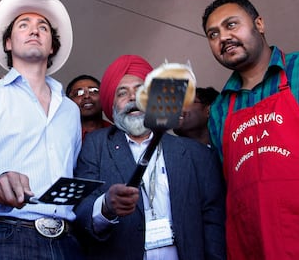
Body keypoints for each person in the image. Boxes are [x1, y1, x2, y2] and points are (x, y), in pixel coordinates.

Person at [202, 0, 299, 259]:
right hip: (260, 247)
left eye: (232, 25)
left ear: (259, 24)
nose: (224, 37)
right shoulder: (219, 110)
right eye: (213, 34)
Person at [0, 0, 84, 260]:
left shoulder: (71, 110)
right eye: (23, 24)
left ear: (51, 48)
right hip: (5, 235)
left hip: (67, 240)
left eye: (43, 27)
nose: (35, 29)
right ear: (8, 42)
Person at [73, 55, 226, 260]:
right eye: (122, 93)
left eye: (140, 90)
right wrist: (106, 206)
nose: (132, 98)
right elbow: (80, 209)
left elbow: (213, 223)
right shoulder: (96, 146)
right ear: (112, 105)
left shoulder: (196, 155)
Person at [66, 74, 111, 140]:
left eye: (94, 91)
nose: (87, 96)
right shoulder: (63, 136)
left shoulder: (116, 133)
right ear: (68, 102)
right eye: (79, 93)